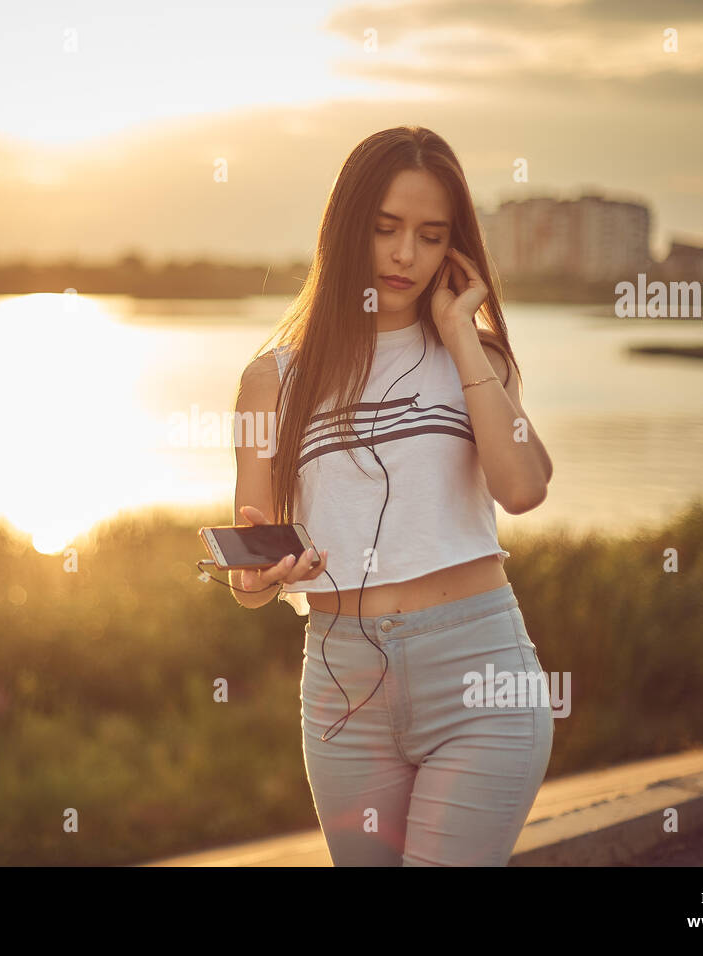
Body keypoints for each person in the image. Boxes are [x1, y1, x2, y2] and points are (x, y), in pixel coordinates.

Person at [229, 126, 554, 866]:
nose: (406, 254)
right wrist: (259, 576)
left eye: (430, 235)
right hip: (343, 688)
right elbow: (252, 576)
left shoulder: (480, 360)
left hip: (479, 669)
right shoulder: (271, 382)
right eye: (385, 230)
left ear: (454, 249)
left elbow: (524, 487)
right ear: (348, 232)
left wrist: (463, 337)